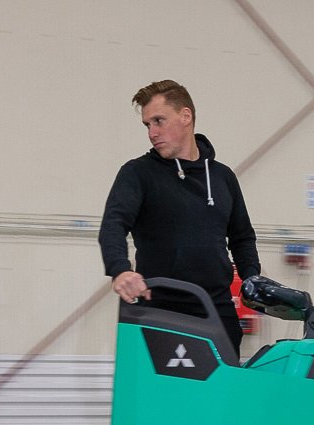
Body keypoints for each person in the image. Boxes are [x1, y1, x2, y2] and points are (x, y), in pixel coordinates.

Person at [98, 79, 261, 356]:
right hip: (160, 308)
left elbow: (242, 237)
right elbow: (113, 224)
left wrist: (252, 279)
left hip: (217, 311)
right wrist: (120, 269)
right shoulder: (138, 173)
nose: (152, 133)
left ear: (185, 116)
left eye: (159, 121)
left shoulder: (222, 177)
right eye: (147, 125)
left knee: (224, 384)